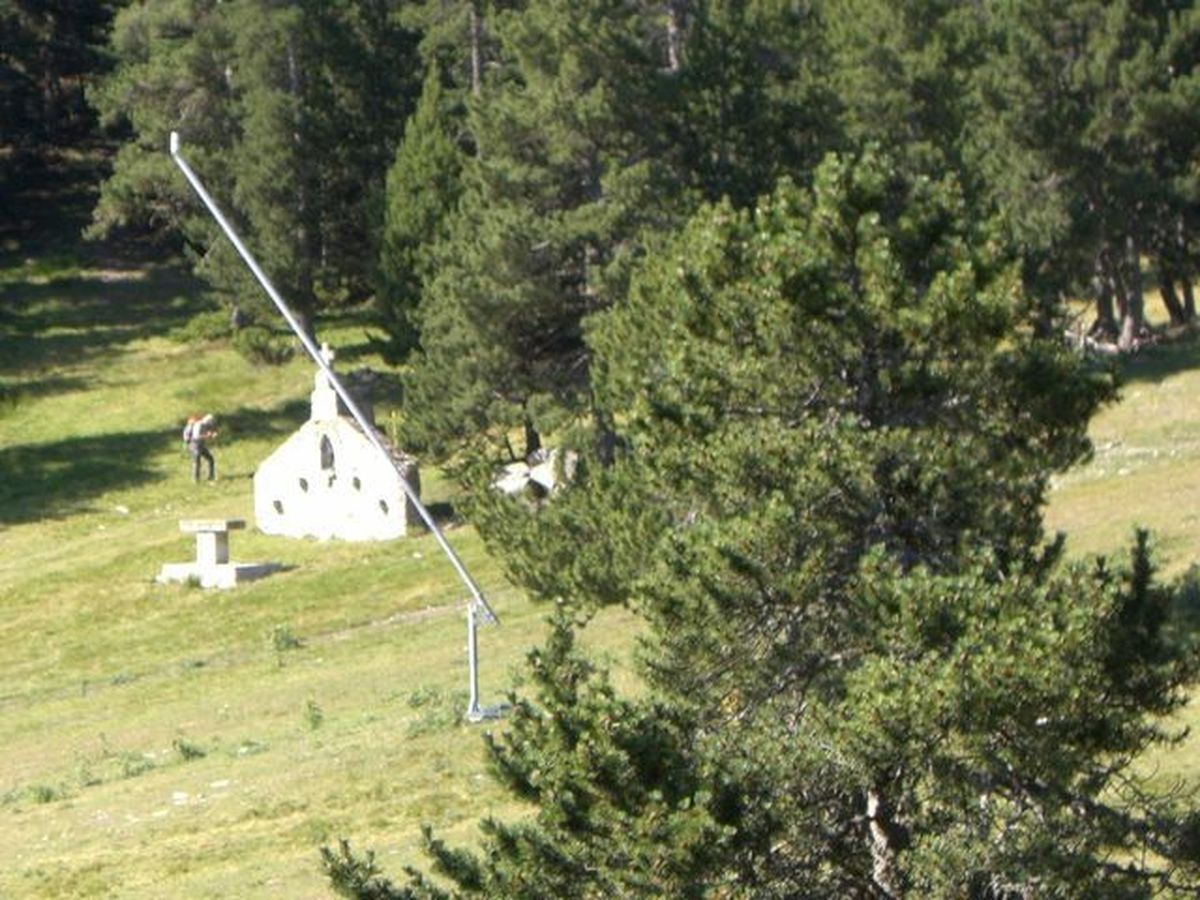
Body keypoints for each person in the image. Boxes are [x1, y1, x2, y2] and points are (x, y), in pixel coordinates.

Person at [182, 413, 217, 482]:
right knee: (197, 461)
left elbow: (210, 432)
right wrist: (208, 436)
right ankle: (195, 479)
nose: (211, 424)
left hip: (201, 445)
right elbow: (196, 437)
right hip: (194, 445)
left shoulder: (206, 425)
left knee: (210, 459)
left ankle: (210, 477)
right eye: (211, 422)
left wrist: (212, 434)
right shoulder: (199, 425)